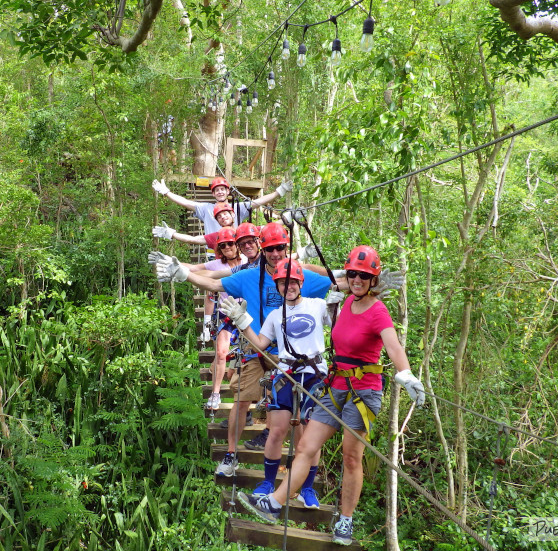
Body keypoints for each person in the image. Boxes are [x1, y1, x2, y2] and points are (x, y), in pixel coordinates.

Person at [237, 245, 425, 546]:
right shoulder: (343, 304)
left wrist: (405, 373)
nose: (357, 280)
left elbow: (393, 346)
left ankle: (346, 520)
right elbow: (324, 281)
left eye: (364, 276)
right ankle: (274, 503)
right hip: (335, 385)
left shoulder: (378, 310)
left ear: (373, 280)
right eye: (353, 274)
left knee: (352, 457)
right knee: (306, 446)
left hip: (364, 391)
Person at [155, 223, 332, 478]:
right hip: (256, 343)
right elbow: (215, 285)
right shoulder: (248, 275)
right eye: (270, 248)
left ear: (286, 249)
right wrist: (184, 275)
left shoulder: (299, 275)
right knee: (241, 400)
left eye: (280, 248)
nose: (275, 253)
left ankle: (299, 467)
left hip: (290, 352)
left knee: (297, 410)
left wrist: (373, 282)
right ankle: (231, 454)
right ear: (264, 247)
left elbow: (337, 282)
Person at [220, 259, 331, 509]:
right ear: (278, 285)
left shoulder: (318, 305)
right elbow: (260, 343)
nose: (288, 286)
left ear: (300, 283)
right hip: (287, 373)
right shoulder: (274, 315)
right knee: (277, 432)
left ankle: (308, 488)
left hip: (314, 375)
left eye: (292, 282)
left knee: (309, 438)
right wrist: (242, 320)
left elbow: (340, 318)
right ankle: (268, 482)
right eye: (283, 282)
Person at [151, 176, 291, 234]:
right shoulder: (206, 208)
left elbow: (258, 202)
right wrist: (167, 193)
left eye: (222, 189)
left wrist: (279, 192)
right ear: (213, 194)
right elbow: (186, 203)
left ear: (227, 191)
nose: (219, 192)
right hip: (214, 251)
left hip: (235, 250)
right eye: (216, 190)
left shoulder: (237, 207)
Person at [202, 227, 245, 410]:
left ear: (237, 245)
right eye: (223, 245)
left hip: (246, 313)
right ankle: (216, 393)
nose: (227, 247)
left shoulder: (248, 261)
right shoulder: (216, 265)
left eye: (231, 244)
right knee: (221, 353)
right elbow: (196, 272)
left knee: (245, 358)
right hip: (226, 313)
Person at [151, 202, 237, 250]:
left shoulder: (243, 232)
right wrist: (172, 234)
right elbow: (193, 239)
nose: (222, 217)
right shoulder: (216, 236)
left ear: (232, 214)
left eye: (225, 214)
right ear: (218, 221)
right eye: (219, 216)